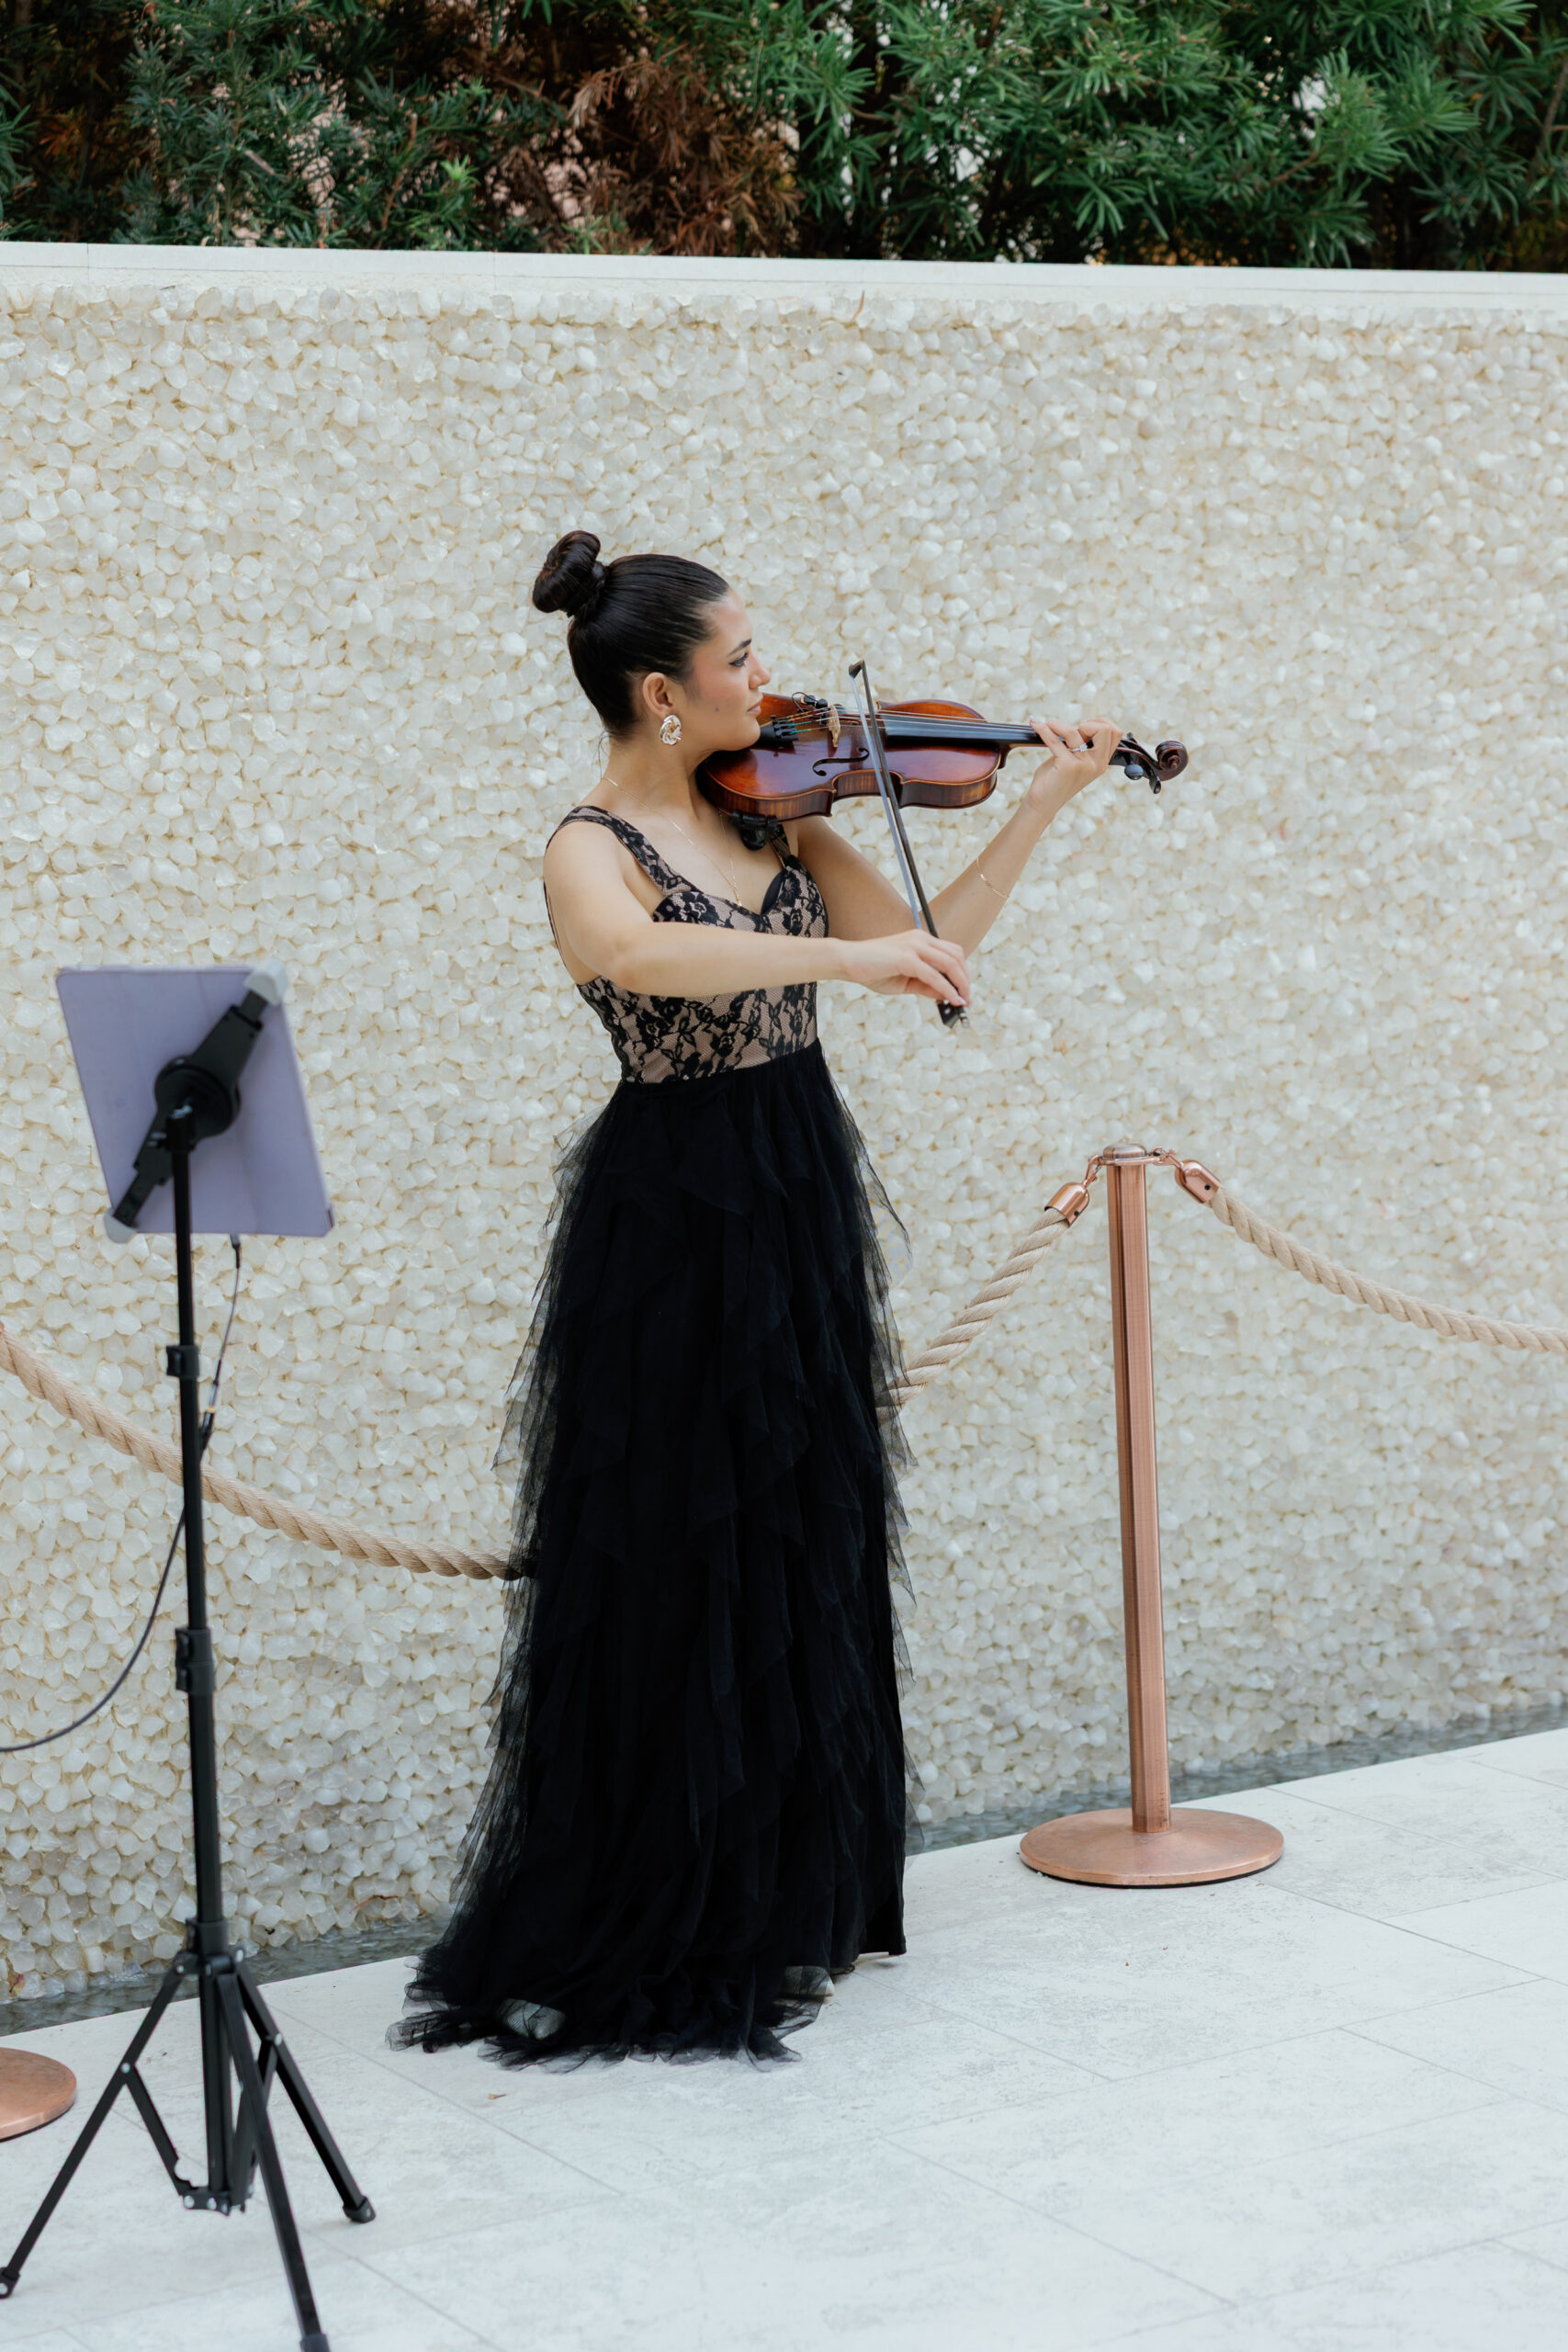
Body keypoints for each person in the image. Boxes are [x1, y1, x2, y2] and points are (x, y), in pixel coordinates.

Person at [395, 530, 1120, 2065]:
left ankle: (791, 1894)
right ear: (663, 696)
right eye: (739, 661)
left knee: (804, 1532)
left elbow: (933, 952)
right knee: (675, 1548)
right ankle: (670, 1905)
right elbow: (629, 951)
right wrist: (845, 977)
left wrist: (1043, 799)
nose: (769, 681)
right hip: (670, 1212)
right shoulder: (589, 841)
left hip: (795, 1186)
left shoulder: (783, 819)